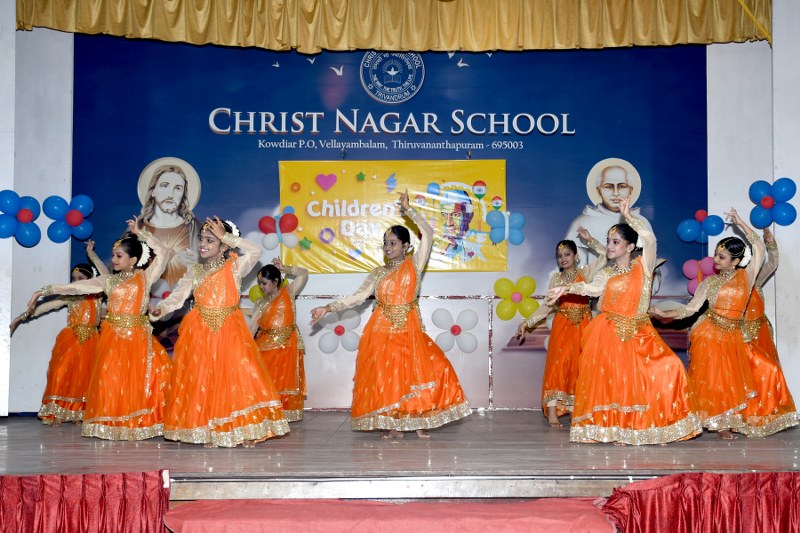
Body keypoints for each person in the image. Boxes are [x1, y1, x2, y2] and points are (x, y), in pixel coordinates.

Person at [310, 191, 471, 439]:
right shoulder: (378, 273)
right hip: (382, 330)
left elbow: (428, 233)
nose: (388, 247)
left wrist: (409, 210)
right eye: (386, 243)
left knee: (424, 371)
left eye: (393, 243)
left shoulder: (414, 264)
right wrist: (328, 308)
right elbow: (357, 297)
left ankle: (418, 419)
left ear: (406, 246)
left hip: (409, 329)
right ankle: (393, 423)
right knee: (388, 377)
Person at [547, 198, 701, 445]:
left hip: (640, 331)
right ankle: (621, 430)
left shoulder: (643, 266)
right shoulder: (607, 273)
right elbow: (592, 288)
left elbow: (650, 241)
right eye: (609, 241)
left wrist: (630, 217)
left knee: (669, 367)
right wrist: (567, 288)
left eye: (616, 242)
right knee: (619, 382)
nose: (610, 245)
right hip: (610, 333)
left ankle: (655, 426)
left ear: (630, 247)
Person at [25, 220, 173, 440]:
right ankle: (113, 424)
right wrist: (46, 290)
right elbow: (78, 287)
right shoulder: (108, 281)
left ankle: (138, 423)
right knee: (111, 381)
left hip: (139, 339)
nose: (114, 259)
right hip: (113, 338)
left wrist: (141, 233)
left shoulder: (145, 276)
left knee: (146, 381)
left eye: (119, 256)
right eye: (113, 255)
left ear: (133, 260)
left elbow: (165, 253)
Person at [651, 215, 797, 438]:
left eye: (721, 257)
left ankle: (750, 418)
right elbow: (690, 309)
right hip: (710, 334)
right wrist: (665, 314)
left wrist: (740, 223)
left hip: (736, 335)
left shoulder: (747, 277)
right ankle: (721, 425)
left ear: (735, 261)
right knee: (717, 381)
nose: (715, 260)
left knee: (762, 371)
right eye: (715, 255)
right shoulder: (710, 282)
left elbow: (758, 247)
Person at [151, 217, 289, 447]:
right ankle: (211, 431)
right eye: (201, 239)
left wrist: (227, 237)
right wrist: (161, 309)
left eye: (210, 240)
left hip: (229, 330)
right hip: (200, 331)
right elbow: (177, 297)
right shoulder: (195, 271)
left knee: (237, 378)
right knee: (205, 380)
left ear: (224, 246)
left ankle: (244, 429)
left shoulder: (235, 266)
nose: (202, 244)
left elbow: (255, 251)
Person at [516, 229, 606, 427]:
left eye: (567, 254)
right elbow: (547, 306)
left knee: (579, 366)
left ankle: (576, 411)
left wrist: (591, 240)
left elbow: (606, 255)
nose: (563, 258)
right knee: (558, 365)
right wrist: (526, 322)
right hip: (562, 325)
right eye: (559, 256)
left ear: (576, 256)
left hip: (583, 325)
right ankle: (552, 412)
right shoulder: (556, 279)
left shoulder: (586, 273)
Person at [10, 242, 108, 425]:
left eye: (80, 278)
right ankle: (58, 412)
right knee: (61, 372)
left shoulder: (97, 294)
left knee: (86, 378)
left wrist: (92, 255)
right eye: (73, 278)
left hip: (92, 340)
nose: (76, 281)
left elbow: (106, 276)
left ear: (89, 280)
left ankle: (80, 413)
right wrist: (21, 318)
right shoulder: (69, 296)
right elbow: (45, 307)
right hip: (71, 339)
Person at [138, 157, 203, 351]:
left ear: (184, 194)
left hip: (184, 310)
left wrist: (196, 262)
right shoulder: (138, 229)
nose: (171, 194)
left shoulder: (195, 228)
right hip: (145, 309)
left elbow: (210, 265)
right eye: (165, 186)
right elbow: (122, 268)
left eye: (178, 188)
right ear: (153, 190)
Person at [564, 160, 655, 267]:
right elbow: (575, 267)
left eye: (622, 186)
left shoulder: (641, 223)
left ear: (630, 190)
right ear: (599, 190)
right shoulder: (583, 222)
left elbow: (650, 261)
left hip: (633, 276)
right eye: (608, 187)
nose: (615, 193)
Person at [250, 258, 309, 422]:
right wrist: (246, 345)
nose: (261, 287)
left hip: (287, 345)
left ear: (275, 282)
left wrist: (286, 269)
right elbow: (253, 326)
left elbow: (304, 274)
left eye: (264, 283)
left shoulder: (288, 293)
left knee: (282, 381)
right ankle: (268, 411)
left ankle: (281, 414)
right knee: (265, 377)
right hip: (266, 344)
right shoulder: (260, 303)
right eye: (259, 283)